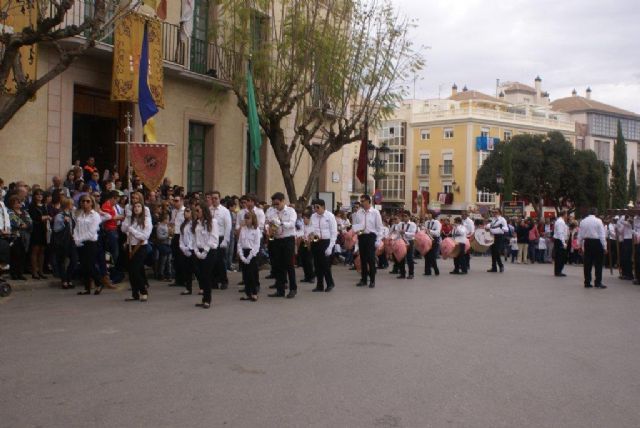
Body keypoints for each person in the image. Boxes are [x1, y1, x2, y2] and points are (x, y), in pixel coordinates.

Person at [265, 192, 298, 298]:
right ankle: (280, 289)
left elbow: (292, 224)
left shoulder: (291, 211)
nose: (276, 206)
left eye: (277, 203)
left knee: (289, 264)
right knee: (278, 265)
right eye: (274, 204)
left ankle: (293, 289)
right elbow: (267, 223)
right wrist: (268, 228)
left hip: (288, 239)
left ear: (283, 201)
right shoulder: (271, 211)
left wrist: (281, 223)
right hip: (276, 239)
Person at [121, 201, 153, 301]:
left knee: (135, 270)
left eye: (139, 206)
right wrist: (127, 218)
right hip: (130, 246)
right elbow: (123, 229)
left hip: (140, 247)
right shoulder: (131, 219)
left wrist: (132, 230)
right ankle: (135, 294)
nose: (136, 208)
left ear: (142, 208)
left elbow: (145, 236)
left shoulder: (146, 220)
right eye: (135, 206)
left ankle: (143, 291)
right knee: (131, 271)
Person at [73, 195, 105, 295]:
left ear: (92, 203)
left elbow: (92, 232)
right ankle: (87, 288)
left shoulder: (95, 215)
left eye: (87, 201)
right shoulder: (80, 214)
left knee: (89, 265)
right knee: (83, 265)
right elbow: (76, 228)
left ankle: (99, 282)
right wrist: (75, 238)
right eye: (83, 201)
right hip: (79, 242)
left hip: (90, 242)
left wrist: (80, 239)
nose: (85, 203)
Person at [351, 194, 383, 288]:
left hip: (371, 236)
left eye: (363, 201)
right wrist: (356, 231)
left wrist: (378, 240)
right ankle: (363, 279)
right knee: (363, 259)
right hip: (362, 236)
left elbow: (379, 227)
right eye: (361, 201)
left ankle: (372, 280)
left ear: (368, 201)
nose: (361, 203)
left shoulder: (375, 212)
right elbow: (355, 224)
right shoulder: (359, 213)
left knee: (371, 259)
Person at [192, 202, 219, 309]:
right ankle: (204, 298)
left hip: (209, 251)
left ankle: (207, 299)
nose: (196, 213)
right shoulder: (197, 223)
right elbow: (194, 238)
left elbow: (213, 238)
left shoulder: (212, 222)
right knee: (200, 275)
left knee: (206, 275)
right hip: (199, 250)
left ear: (204, 210)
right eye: (196, 211)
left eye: (198, 210)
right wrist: (196, 251)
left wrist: (205, 252)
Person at [310, 199, 337, 292]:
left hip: (326, 242)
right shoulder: (313, 216)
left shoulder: (330, 216)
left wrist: (330, 247)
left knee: (325, 265)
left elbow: (334, 232)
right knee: (317, 265)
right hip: (316, 241)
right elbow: (311, 229)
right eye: (314, 207)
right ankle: (319, 285)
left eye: (317, 207)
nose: (316, 209)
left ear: (323, 207)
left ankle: (330, 283)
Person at [577, 208, 607, 289]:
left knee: (587, 263)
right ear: (596, 213)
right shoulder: (598, 221)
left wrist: (579, 245)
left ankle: (587, 282)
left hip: (587, 242)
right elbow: (602, 235)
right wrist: (604, 246)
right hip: (597, 243)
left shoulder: (583, 221)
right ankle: (598, 282)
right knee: (598, 264)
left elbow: (580, 234)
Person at [208, 191, 232, 289]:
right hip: (211, 238)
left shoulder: (224, 211)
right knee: (212, 260)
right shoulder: (209, 210)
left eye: (216, 198)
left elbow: (228, 226)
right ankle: (214, 281)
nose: (214, 200)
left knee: (220, 261)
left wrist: (225, 240)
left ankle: (223, 280)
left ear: (219, 199)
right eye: (212, 198)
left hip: (221, 237)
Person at [52, 198, 76, 289]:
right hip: (63, 241)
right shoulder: (60, 216)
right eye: (71, 204)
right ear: (67, 205)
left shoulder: (72, 214)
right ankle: (64, 280)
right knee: (62, 261)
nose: (73, 205)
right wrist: (64, 222)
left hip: (72, 240)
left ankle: (68, 278)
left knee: (74, 260)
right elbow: (56, 229)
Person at [237, 211, 261, 301]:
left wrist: (249, 257)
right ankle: (247, 293)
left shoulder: (256, 230)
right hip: (244, 252)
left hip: (252, 253)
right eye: (245, 218)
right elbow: (239, 243)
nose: (246, 220)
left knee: (252, 274)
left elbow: (256, 245)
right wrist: (241, 255)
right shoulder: (243, 229)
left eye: (248, 218)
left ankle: (254, 293)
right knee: (245, 274)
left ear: (253, 219)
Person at [7, 195, 31, 280]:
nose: (20, 204)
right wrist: (22, 224)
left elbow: (30, 222)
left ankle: (20, 273)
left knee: (23, 255)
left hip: (25, 237)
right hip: (15, 237)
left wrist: (25, 225)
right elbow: (14, 221)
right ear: (12, 204)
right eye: (17, 202)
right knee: (15, 255)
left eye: (20, 202)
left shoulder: (25, 212)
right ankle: (13, 273)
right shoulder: (10, 212)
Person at [28, 188, 50, 279]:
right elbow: (35, 218)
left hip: (43, 229)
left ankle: (40, 271)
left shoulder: (44, 206)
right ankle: (34, 271)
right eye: (37, 194)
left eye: (41, 194)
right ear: (34, 196)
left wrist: (45, 218)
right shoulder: (32, 206)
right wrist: (46, 217)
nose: (40, 196)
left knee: (42, 251)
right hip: (35, 229)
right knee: (35, 250)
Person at [169, 195, 186, 288]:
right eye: (174, 201)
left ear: (181, 201)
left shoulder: (185, 211)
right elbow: (172, 222)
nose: (175, 202)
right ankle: (177, 279)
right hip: (174, 235)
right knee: (175, 258)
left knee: (181, 258)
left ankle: (183, 279)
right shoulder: (174, 211)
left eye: (176, 200)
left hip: (181, 235)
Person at [178, 206, 194, 295]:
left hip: (192, 249)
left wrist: (189, 248)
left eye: (188, 211)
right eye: (185, 212)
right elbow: (181, 237)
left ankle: (202, 287)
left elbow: (194, 237)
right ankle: (188, 288)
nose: (185, 213)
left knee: (195, 269)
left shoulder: (194, 224)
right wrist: (183, 247)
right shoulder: (183, 224)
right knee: (186, 269)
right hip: (184, 249)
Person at [297, 210, 316, 283]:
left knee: (309, 261)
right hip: (303, 243)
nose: (304, 220)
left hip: (309, 244)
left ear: (309, 219)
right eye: (303, 218)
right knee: (303, 261)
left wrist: (309, 239)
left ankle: (312, 276)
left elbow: (313, 235)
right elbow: (299, 232)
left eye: (305, 218)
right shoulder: (302, 225)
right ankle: (306, 276)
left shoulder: (312, 226)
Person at [487, 208, 508, 273]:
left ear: (499, 213)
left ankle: (501, 266)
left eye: (496, 212)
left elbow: (506, 229)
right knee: (493, 252)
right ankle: (494, 267)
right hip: (492, 236)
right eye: (494, 212)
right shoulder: (493, 220)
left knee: (496, 252)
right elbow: (490, 226)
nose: (494, 213)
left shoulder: (502, 220)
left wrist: (501, 227)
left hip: (499, 236)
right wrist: (487, 227)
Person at [398, 211, 417, 279]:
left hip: (409, 242)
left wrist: (405, 233)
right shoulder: (400, 224)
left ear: (409, 216)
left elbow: (413, 234)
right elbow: (397, 232)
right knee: (401, 258)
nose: (404, 217)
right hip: (401, 242)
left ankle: (411, 274)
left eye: (406, 216)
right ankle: (402, 273)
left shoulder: (412, 224)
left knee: (409, 258)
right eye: (403, 216)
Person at [616, 214, 633, 280]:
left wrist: (618, 221)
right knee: (624, 258)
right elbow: (620, 231)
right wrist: (617, 226)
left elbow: (628, 224)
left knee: (628, 258)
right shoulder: (624, 223)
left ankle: (629, 274)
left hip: (630, 239)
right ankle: (624, 273)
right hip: (624, 240)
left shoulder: (630, 221)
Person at [553, 211, 569, 277]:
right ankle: (558, 271)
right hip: (559, 240)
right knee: (560, 257)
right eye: (566, 214)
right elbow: (560, 233)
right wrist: (563, 243)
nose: (567, 215)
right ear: (564, 214)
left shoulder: (560, 221)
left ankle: (558, 271)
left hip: (559, 240)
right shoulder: (560, 222)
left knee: (560, 256)